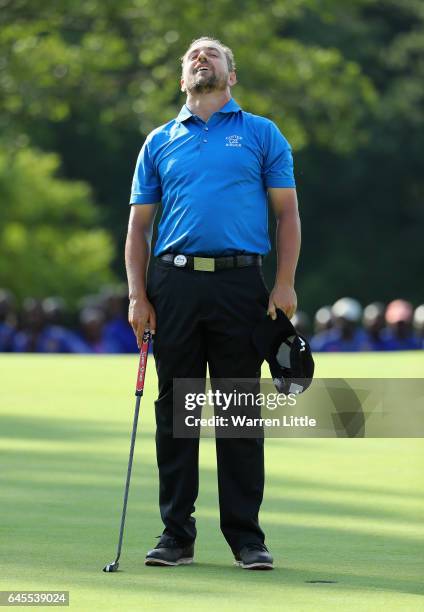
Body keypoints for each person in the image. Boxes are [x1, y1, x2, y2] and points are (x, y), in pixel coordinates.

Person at [125, 37, 300, 570]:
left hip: (241, 285)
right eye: (193, 57)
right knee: (176, 412)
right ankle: (176, 534)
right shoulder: (159, 140)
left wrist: (285, 283)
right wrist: (137, 294)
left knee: (238, 411)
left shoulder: (261, 133)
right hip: (173, 286)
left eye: (213, 54)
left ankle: (246, 537)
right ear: (183, 80)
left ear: (232, 75)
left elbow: (287, 215)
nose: (202, 58)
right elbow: (138, 228)